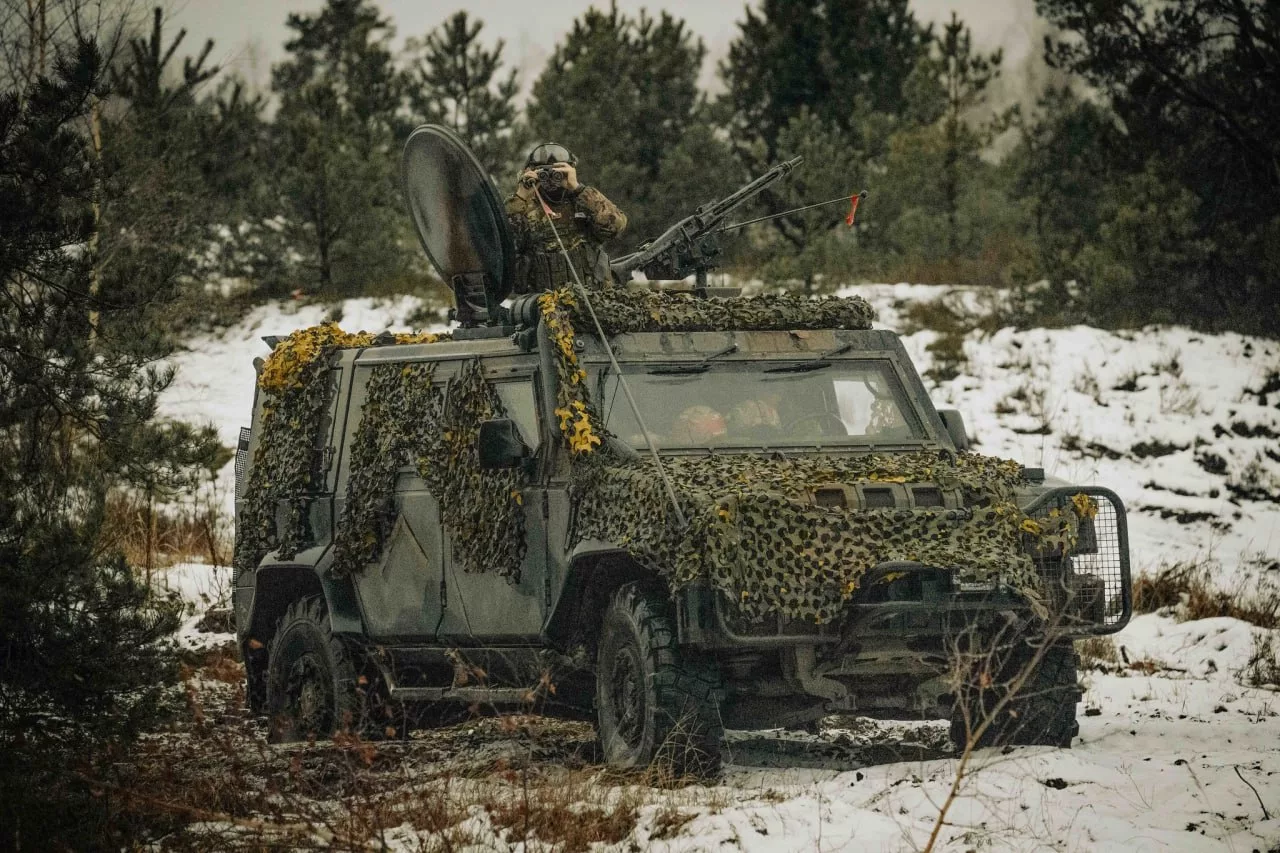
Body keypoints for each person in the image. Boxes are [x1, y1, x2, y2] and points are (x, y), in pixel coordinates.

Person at [505, 142, 628, 293]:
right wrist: (521, 196)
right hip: (545, 305)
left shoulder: (583, 200)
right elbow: (505, 250)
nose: (551, 178)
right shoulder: (522, 208)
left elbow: (616, 226)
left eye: (557, 172)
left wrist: (577, 188)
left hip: (595, 298)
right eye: (543, 172)